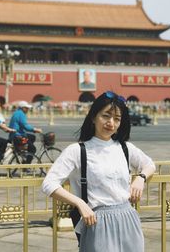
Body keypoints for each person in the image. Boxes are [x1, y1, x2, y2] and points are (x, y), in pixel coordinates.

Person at [42, 91, 156, 252]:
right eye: (106, 116)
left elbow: (149, 164)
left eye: (117, 119)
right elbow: (48, 184)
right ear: (94, 117)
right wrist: (80, 203)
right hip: (96, 221)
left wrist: (141, 178)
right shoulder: (77, 150)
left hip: (128, 219)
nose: (111, 123)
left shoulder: (125, 148)